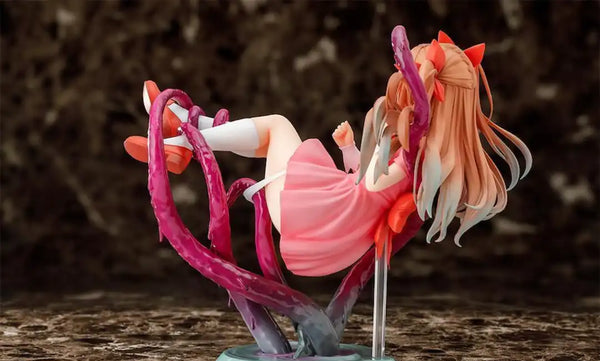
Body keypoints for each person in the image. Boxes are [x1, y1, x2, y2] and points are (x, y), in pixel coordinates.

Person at [124, 31, 531, 278]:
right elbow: (366, 182)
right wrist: (350, 148)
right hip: (331, 212)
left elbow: (372, 184)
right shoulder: (416, 153)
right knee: (271, 137)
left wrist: (381, 145)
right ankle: (184, 135)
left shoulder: (415, 156)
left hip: (319, 221)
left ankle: (184, 133)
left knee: (278, 126)